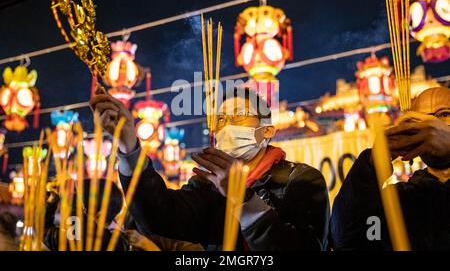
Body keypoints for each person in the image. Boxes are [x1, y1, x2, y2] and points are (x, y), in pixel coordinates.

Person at [90, 85, 330, 250]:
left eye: (238, 116)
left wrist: (244, 200)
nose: (226, 126)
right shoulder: (209, 184)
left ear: (266, 132)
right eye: (221, 120)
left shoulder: (300, 180)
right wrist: (128, 145)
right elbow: (158, 216)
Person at [330, 87, 450, 251]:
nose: (431, 126)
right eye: (420, 121)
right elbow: (348, 238)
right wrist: (372, 165)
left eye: (444, 114)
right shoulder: (402, 199)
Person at [44, 178, 129, 251]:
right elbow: (44, 233)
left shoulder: (119, 242)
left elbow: (85, 231)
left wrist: (71, 197)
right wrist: (51, 202)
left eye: (82, 208)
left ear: (100, 216)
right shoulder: (74, 236)